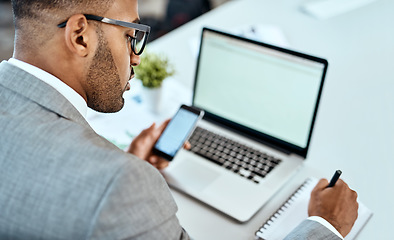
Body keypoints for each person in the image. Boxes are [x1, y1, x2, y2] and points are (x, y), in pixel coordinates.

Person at [0, 0, 358, 239]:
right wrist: (325, 225)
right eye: (131, 36)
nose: (136, 59)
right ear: (80, 36)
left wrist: (128, 165)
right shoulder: (121, 184)